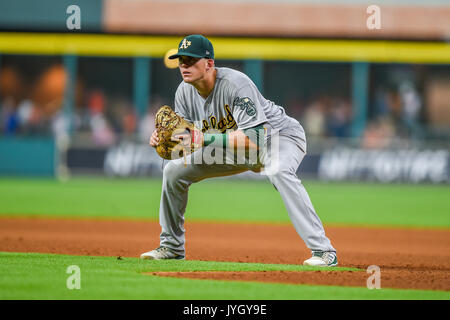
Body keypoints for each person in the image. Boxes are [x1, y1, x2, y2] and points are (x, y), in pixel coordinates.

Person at [140, 35, 337, 266]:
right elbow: (185, 139)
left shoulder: (235, 84)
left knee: (278, 171)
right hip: (230, 147)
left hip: (278, 137)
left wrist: (203, 137)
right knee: (173, 170)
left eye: (190, 60)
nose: (184, 65)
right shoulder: (184, 91)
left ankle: (324, 251)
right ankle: (171, 247)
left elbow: (255, 139)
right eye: (181, 60)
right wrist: (164, 140)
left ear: (209, 63)